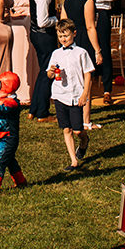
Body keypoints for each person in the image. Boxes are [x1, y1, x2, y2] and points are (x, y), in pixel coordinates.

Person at [45, 20, 94, 170]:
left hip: (76, 94)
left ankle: (84, 141)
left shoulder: (81, 53)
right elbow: (49, 74)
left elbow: (88, 74)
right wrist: (51, 72)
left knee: (78, 130)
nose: (63, 39)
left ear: (74, 33)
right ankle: (74, 161)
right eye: (60, 36)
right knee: (67, 129)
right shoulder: (56, 54)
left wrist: (85, 93)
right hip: (60, 94)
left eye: (65, 35)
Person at [79, 0, 119, 105]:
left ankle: (107, 89)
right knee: (85, 50)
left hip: (101, 11)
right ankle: (86, 88)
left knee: (103, 50)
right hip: (84, 11)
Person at [28, 0, 60, 122]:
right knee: (48, 73)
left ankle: (34, 109)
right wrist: (58, 19)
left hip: (37, 34)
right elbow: (43, 21)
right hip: (44, 35)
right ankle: (42, 112)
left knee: (43, 73)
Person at [7, 0, 39, 104]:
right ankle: (20, 92)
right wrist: (12, 14)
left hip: (34, 24)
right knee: (20, 57)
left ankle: (34, 91)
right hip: (19, 25)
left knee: (34, 57)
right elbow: (2, 4)